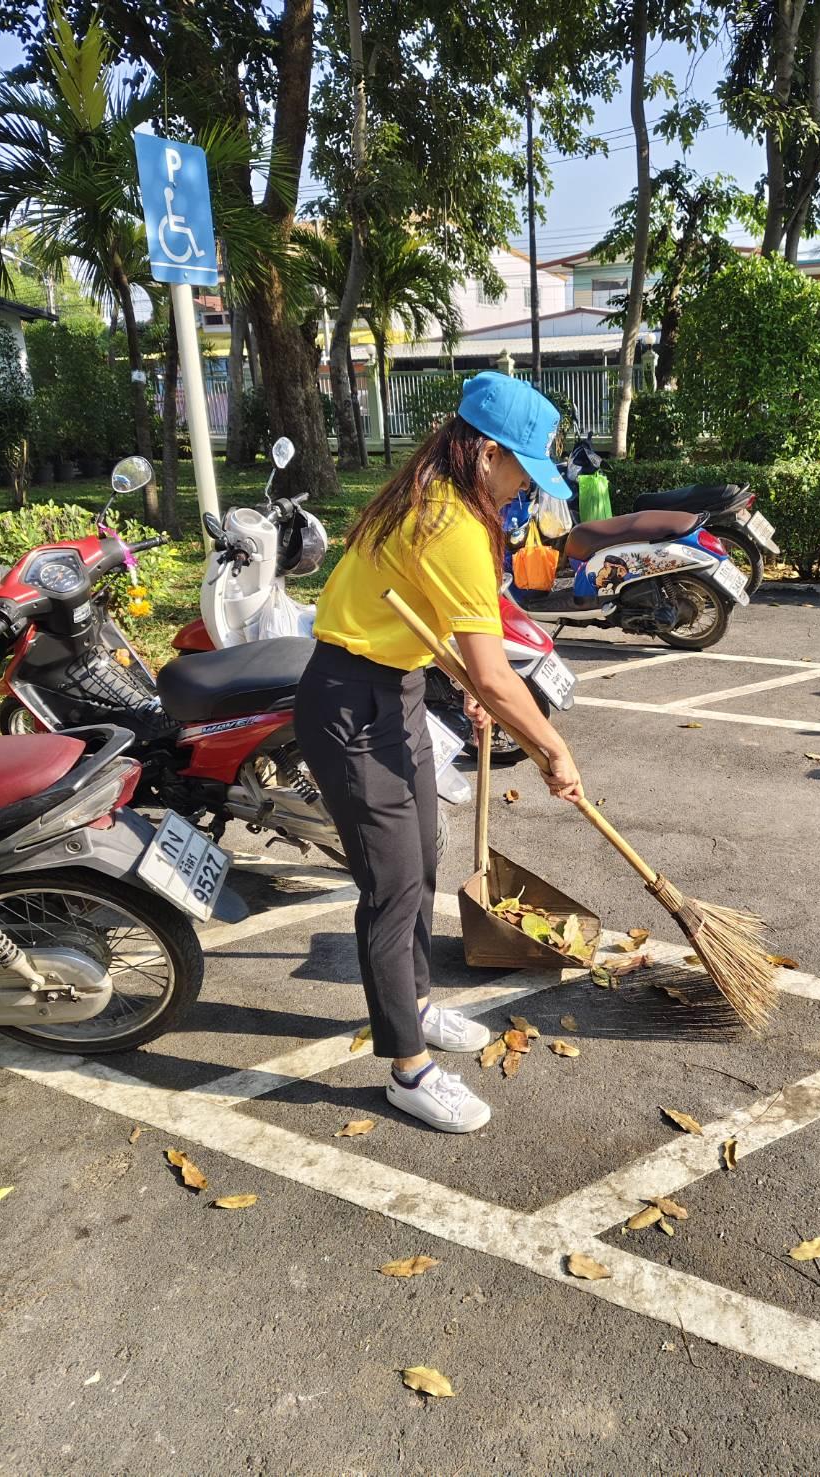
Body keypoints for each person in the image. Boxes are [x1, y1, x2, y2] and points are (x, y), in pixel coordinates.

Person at [296, 373, 582, 1134]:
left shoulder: (429, 494)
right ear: (487, 454)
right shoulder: (448, 520)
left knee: (421, 859)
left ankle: (416, 1004)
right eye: (522, 469)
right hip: (352, 704)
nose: (526, 486)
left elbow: (436, 632)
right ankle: (408, 1070)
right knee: (391, 889)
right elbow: (495, 672)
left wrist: (464, 689)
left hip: (396, 689)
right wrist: (552, 748)